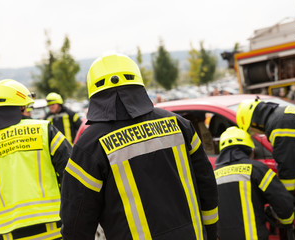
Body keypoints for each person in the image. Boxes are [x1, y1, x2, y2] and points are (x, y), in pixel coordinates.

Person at [60, 53, 219, 240]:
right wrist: (212, 231)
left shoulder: (89, 145)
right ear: (138, 81)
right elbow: (207, 186)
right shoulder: (179, 125)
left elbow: (76, 220)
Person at [0, 79, 72, 240]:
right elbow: (72, 176)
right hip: (55, 232)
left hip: (9, 235)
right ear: (21, 106)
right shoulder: (45, 131)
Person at [236, 98, 295, 239]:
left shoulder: (278, 124)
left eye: (251, 130)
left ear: (254, 121)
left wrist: (284, 199)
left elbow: (288, 166)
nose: (255, 133)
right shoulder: (281, 115)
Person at [215, 126, 295, 240]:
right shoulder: (256, 169)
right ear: (250, 150)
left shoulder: (213, 176)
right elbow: (282, 202)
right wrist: (288, 221)